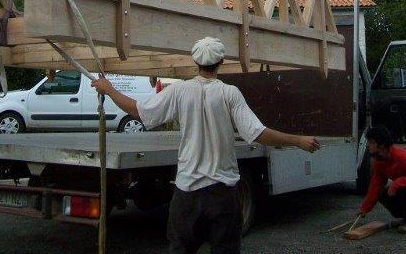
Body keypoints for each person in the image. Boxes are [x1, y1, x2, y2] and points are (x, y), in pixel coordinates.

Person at [91, 36, 320, 253]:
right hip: (222, 194)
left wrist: (109, 89)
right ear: (220, 62)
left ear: (195, 62)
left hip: (187, 193)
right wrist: (298, 140)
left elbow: (139, 112)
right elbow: (257, 133)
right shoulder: (230, 93)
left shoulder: (180, 91)